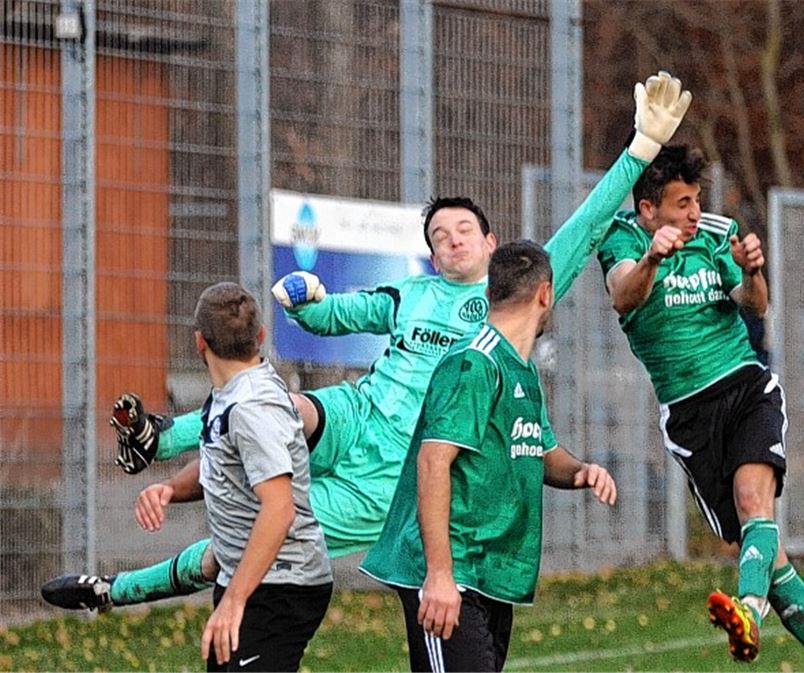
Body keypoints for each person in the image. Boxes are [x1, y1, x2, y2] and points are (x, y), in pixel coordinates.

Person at [41, 72, 692, 611]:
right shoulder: (408, 294)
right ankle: (157, 437)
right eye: (438, 233)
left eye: (462, 228)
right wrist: (309, 296)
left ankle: (114, 588)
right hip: (355, 414)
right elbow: (332, 315)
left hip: (389, 475)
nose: (449, 239)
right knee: (279, 404)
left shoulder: (511, 297)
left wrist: (640, 149)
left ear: (492, 246)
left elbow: (580, 229)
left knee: (239, 544)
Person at [595, 145, 804, 672]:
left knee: (752, 500)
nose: (695, 213)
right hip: (690, 417)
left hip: (745, 387)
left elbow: (755, 304)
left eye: (697, 200)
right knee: (771, 561)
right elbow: (624, 296)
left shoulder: (717, 231)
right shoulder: (621, 237)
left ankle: (748, 614)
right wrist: (653, 257)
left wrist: (752, 270)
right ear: (649, 210)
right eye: (682, 203)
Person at [360, 240, 617, 672]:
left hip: (489, 571)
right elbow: (433, 461)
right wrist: (440, 576)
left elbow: (540, 448)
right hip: (451, 569)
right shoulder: (474, 363)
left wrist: (580, 472)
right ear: (545, 294)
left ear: (489, 293)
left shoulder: (522, 366)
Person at [155, 282, 332, 671]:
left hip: (282, 585)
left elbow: (279, 508)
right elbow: (221, 464)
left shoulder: (252, 407)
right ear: (261, 336)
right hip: (251, 582)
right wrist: (169, 488)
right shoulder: (230, 392)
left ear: (199, 342)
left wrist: (235, 599)